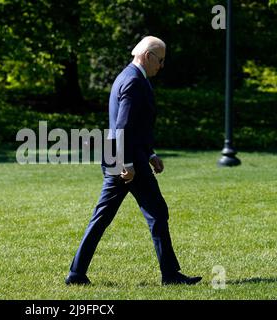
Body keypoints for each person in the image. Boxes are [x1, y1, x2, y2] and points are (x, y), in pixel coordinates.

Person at [65, 36, 202, 286]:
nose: (161, 66)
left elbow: (136, 126)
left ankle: (76, 274)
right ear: (148, 56)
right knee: (156, 212)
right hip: (125, 161)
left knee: (107, 217)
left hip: (124, 157)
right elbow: (123, 127)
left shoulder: (129, 77)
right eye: (160, 60)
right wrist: (127, 163)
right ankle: (170, 275)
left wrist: (150, 154)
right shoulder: (134, 81)